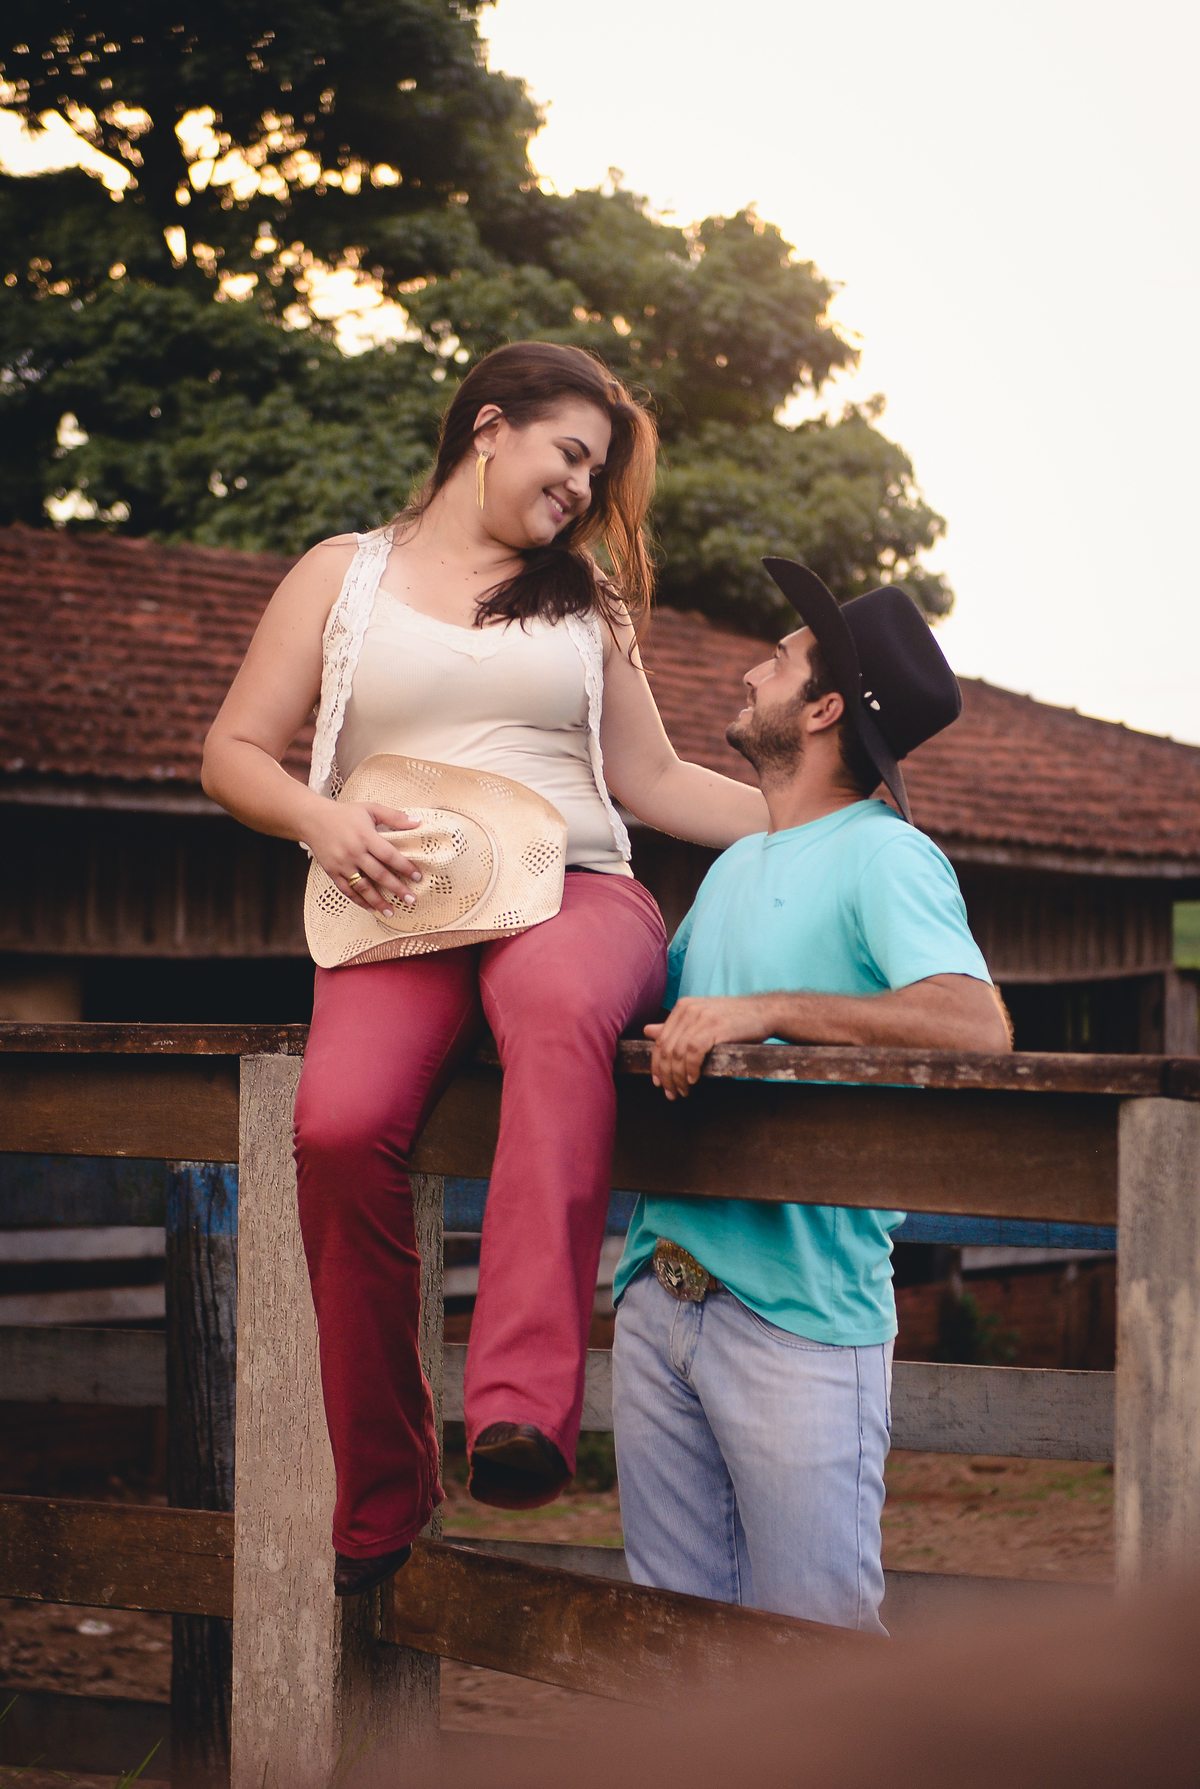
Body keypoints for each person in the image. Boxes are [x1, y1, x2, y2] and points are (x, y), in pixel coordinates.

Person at [202, 341, 767, 1597]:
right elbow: (233, 749)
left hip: (576, 890)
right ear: (491, 426)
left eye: (597, 474)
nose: (581, 489)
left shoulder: (585, 600)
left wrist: (819, 819)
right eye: (570, 455)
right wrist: (321, 820)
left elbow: (654, 778)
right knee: (338, 1125)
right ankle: (384, 1488)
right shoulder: (341, 575)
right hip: (397, 905)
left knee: (558, 1012)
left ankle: (519, 1408)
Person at [610, 557, 1012, 1633]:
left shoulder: (889, 857)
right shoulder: (738, 865)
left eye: (779, 659)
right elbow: (660, 1021)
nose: (751, 671)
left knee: (815, 1649)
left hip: (801, 1319)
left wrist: (769, 1011)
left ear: (826, 707)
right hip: (659, 1295)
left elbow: (975, 1022)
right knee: (673, 1650)